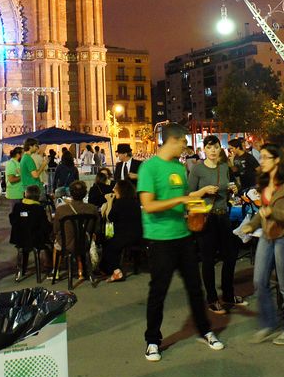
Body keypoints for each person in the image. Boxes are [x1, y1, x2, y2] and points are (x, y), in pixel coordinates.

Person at [137, 122, 224, 362]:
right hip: (160, 239)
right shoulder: (149, 168)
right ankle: (152, 340)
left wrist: (198, 202)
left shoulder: (178, 166)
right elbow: (149, 205)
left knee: (196, 289)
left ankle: (205, 330)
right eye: (184, 142)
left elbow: (185, 198)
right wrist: (181, 201)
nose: (186, 147)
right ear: (172, 140)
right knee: (158, 292)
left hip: (183, 237)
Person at [242, 142, 284, 344]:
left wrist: (272, 212)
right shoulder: (265, 180)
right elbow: (262, 211)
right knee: (260, 282)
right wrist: (251, 225)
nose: (261, 161)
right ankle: (269, 322)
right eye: (260, 157)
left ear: (277, 159)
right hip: (267, 236)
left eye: (265, 157)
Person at [188, 135, 244, 313]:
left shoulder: (223, 167)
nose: (212, 150)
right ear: (204, 149)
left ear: (220, 148)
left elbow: (230, 190)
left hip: (223, 216)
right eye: (209, 147)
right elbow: (188, 195)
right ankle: (212, 298)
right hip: (206, 218)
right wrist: (203, 190)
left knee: (230, 256)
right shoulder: (197, 169)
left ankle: (228, 294)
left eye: (216, 147)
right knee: (208, 259)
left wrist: (233, 190)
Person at [99, 178, 143, 282]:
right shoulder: (135, 203)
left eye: (115, 188)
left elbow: (110, 217)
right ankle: (107, 268)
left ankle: (115, 270)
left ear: (121, 190)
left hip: (124, 237)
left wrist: (109, 202)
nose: (113, 190)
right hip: (138, 235)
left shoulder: (120, 203)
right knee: (110, 242)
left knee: (107, 244)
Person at [9, 185, 53, 280]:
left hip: (19, 239)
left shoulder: (17, 206)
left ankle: (22, 269)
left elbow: (12, 220)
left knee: (24, 248)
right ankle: (50, 267)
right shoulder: (39, 209)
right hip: (36, 240)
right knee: (50, 242)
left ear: (26, 194)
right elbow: (45, 226)